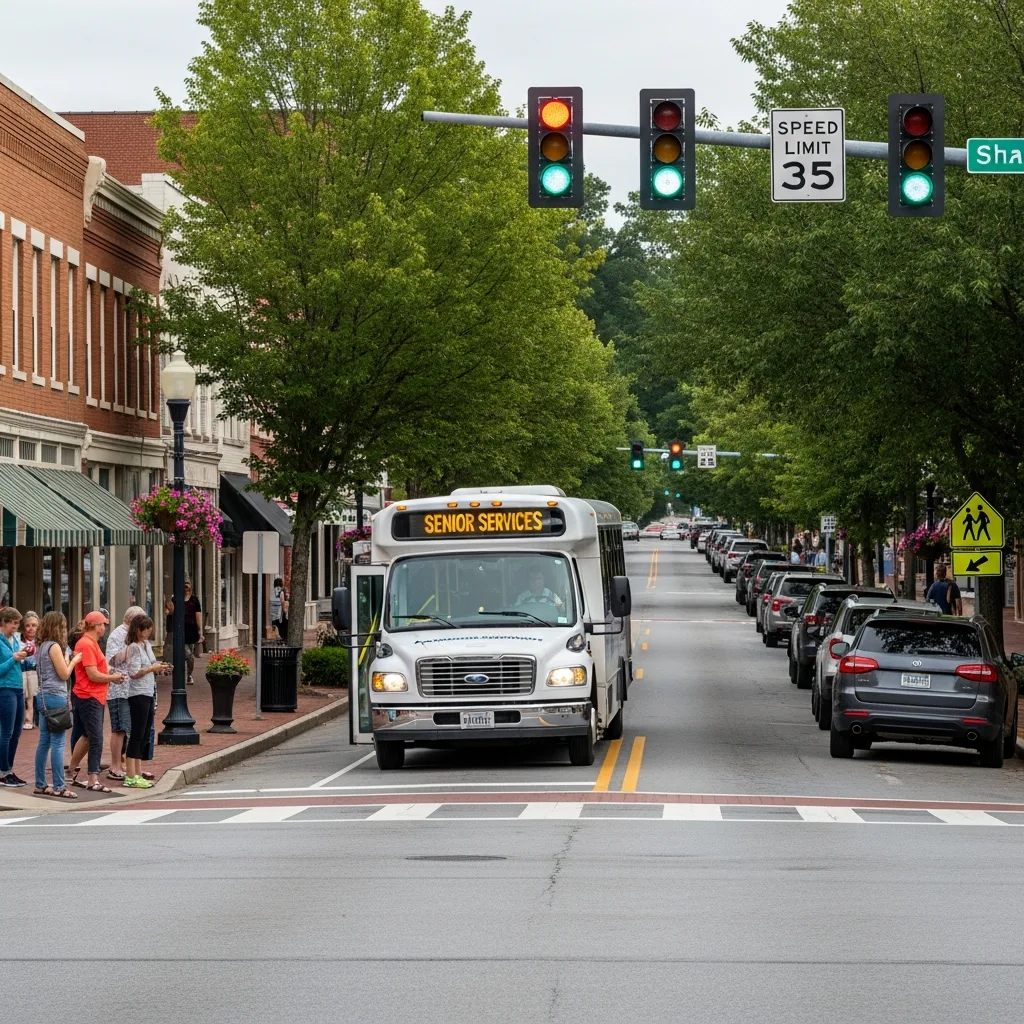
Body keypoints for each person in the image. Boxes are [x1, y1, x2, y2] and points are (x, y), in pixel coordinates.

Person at [67, 611, 127, 793]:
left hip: (92, 695)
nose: (104, 627)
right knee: (96, 738)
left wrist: (110, 676)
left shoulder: (91, 643)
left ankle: (71, 770)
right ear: (94, 626)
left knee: (86, 735)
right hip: (89, 696)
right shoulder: (86, 644)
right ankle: (93, 777)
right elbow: (92, 674)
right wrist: (112, 677)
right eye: (102, 624)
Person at [33, 612, 82, 799]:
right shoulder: (53, 647)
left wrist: (68, 658)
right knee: (58, 742)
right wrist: (74, 661)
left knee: (44, 741)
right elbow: (64, 674)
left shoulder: (41, 646)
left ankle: (40, 783)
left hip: (43, 696)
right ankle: (60, 785)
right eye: (62, 627)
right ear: (57, 627)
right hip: (56, 696)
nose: (64, 630)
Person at [123, 616, 168, 789]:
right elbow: (133, 672)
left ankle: (138, 771)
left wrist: (159, 666)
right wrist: (152, 668)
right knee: (136, 733)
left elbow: (150, 663)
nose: (149, 632)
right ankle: (130, 775)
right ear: (138, 629)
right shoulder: (133, 647)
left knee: (144, 733)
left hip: (149, 691)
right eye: (146, 629)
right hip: (138, 693)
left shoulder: (146, 645)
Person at [103, 605, 146, 781]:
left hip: (134, 689)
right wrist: (131, 648)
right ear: (131, 620)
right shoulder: (117, 635)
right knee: (119, 728)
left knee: (131, 728)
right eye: (141, 621)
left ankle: (134, 767)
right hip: (118, 688)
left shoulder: (139, 636)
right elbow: (112, 660)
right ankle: (115, 766)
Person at [0, 607, 31, 787]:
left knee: (16, 732)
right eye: (13, 623)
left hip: (17, 689)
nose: (16, 627)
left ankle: (9, 769)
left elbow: (18, 664)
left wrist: (24, 657)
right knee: (6, 732)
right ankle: (3, 771)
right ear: (4, 622)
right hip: (5, 689)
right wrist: (14, 658)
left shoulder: (13, 641)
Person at [164, 581, 202, 684]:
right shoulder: (175, 599)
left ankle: (189, 674)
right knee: (188, 655)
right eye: (185, 588)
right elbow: (170, 612)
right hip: (179, 631)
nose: (186, 590)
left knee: (190, 656)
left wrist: (200, 631)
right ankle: (181, 676)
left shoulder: (194, 600)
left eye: (188, 588)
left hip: (192, 631)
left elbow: (198, 615)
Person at [19, 611, 39, 730]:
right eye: (28, 625)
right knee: (24, 696)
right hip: (22, 672)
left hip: (36, 673)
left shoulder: (41, 641)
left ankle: (31, 719)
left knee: (33, 697)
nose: (31, 628)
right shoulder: (19, 639)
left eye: (34, 625)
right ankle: (25, 719)